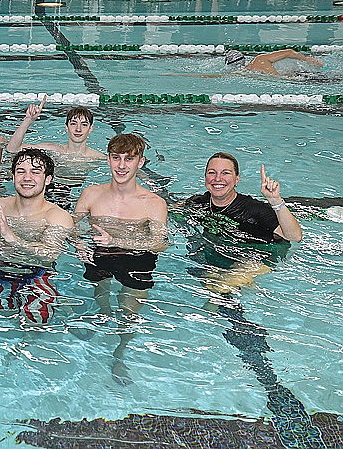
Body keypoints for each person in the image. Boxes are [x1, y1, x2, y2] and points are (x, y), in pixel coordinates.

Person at [73, 134, 168, 385]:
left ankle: (120, 353)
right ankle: (102, 315)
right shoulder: (91, 194)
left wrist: (118, 242)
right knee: (101, 295)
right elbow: (71, 228)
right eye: (116, 158)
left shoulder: (154, 203)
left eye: (129, 159)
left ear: (141, 162)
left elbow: (160, 244)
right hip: (98, 256)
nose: (122, 165)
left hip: (138, 262)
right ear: (108, 160)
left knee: (128, 315)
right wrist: (78, 245)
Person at [179, 153, 302, 306]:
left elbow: (295, 236)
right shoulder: (198, 203)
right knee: (209, 284)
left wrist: (275, 201)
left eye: (226, 173)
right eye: (212, 172)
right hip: (223, 250)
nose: (218, 179)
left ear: (237, 179)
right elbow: (171, 211)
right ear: (205, 177)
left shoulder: (254, 209)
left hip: (262, 253)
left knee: (220, 288)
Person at [0, 149, 75, 324]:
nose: (27, 178)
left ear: (47, 179)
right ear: (13, 177)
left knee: (37, 323)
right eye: (21, 171)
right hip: (1, 271)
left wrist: (10, 236)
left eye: (35, 172)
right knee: (0, 320)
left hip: (38, 274)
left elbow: (50, 254)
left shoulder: (57, 216)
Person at [5, 98, 104, 160]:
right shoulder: (53, 151)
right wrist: (28, 120)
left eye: (84, 125)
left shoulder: (98, 158)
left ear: (90, 129)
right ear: (66, 127)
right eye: (73, 124)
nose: (78, 129)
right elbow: (13, 149)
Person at [222, 48, 325, 76]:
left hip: (297, 79)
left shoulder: (244, 74)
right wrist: (306, 59)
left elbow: (219, 76)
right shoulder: (259, 60)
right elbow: (289, 52)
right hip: (301, 75)